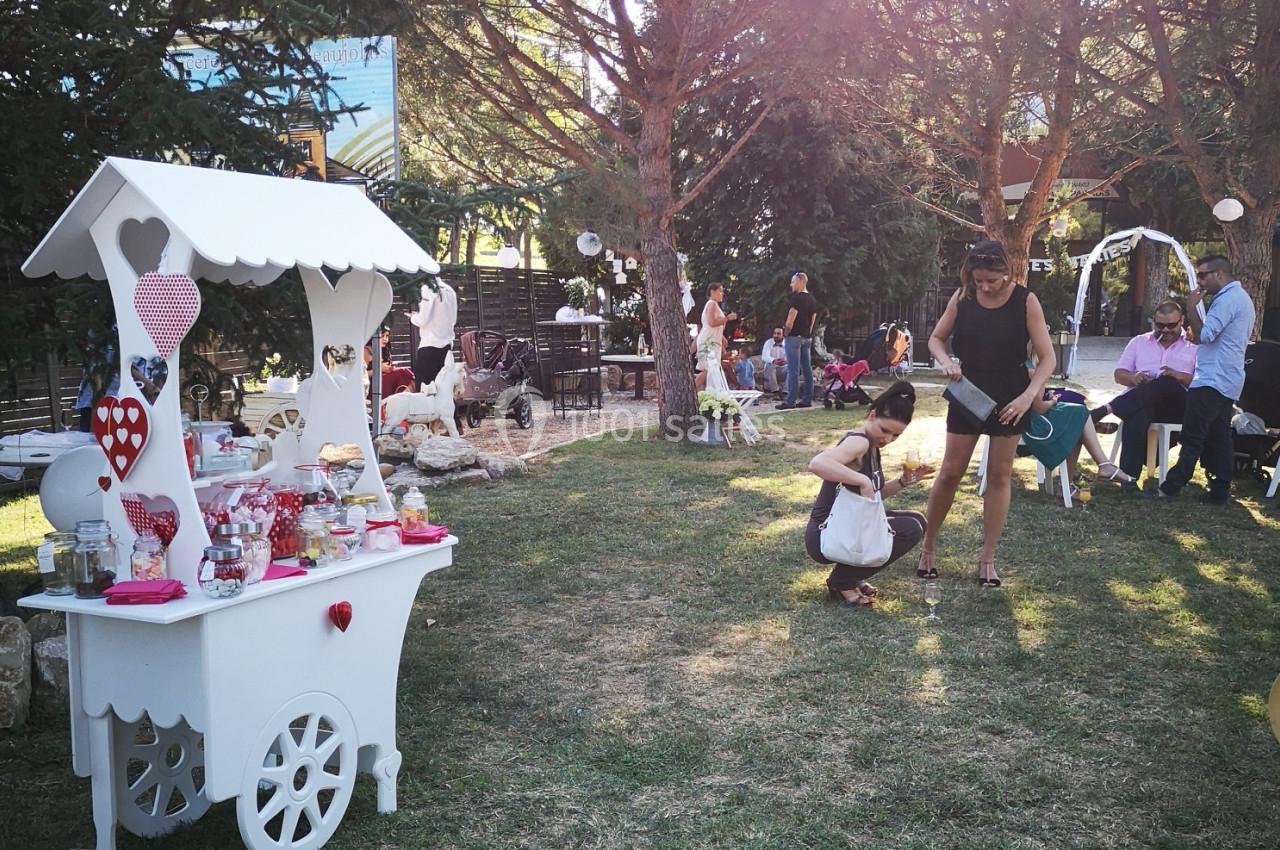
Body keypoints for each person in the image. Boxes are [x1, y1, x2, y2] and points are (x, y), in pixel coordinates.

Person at [921, 240, 1055, 587]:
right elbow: (936, 339)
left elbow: (1048, 358)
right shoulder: (963, 297)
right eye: (978, 279)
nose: (983, 286)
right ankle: (928, 550)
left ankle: (987, 559)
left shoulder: (1026, 301)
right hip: (969, 391)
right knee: (950, 472)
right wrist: (946, 361)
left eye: (991, 281)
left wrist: (1028, 397)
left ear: (1006, 272)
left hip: (1012, 395)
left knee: (999, 475)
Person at [805, 381, 932, 606]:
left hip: (848, 525)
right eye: (885, 430)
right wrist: (861, 479)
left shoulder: (873, 445)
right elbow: (817, 464)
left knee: (918, 520)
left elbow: (872, 495)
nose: (888, 439)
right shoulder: (859, 441)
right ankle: (843, 580)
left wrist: (903, 481)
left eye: (895, 435)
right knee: (910, 530)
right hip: (827, 532)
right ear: (872, 415)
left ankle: (851, 574)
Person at [1155, 255, 1255, 503]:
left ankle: (1172, 486)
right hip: (1228, 378)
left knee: (1193, 435)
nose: (1199, 280)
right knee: (1219, 435)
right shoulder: (1239, 298)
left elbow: (1205, 336)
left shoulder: (1227, 300)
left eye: (1203, 275)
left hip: (1212, 377)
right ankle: (1220, 490)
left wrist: (1191, 306)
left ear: (1219, 274)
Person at [1089, 301, 1197, 484]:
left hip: (1178, 407)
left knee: (1166, 381)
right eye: (1160, 325)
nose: (1165, 330)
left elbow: (1201, 383)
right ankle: (1129, 478)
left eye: (1171, 325)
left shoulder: (1194, 346)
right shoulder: (1139, 342)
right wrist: (1134, 378)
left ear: (1181, 321)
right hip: (1143, 403)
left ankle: (1106, 410)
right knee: (1138, 412)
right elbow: (1119, 374)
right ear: (1153, 321)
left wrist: (1178, 376)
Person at [1026, 390, 1133, 489]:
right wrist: (1052, 401)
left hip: (1027, 413)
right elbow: (1039, 407)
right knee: (1078, 415)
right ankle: (1102, 463)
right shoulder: (1032, 372)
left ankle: (1092, 426)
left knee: (1074, 402)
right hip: (1029, 424)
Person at [407, 279, 458, 390]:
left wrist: (413, 317)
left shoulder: (427, 289)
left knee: (425, 394)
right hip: (446, 348)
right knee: (444, 392)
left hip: (429, 347)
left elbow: (422, 319)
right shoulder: (450, 290)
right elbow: (453, 320)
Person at [778, 272, 817, 410]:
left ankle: (790, 401)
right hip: (806, 338)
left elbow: (790, 320)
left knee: (793, 370)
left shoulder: (796, 299)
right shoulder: (812, 299)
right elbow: (812, 320)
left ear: (801, 281)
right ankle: (807, 399)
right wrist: (808, 333)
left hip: (794, 337)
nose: (791, 284)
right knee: (807, 369)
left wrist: (786, 334)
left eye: (793, 282)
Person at [694, 282, 736, 391]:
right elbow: (712, 322)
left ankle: (707, 393)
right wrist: (727, 318)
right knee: (709, 369)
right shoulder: (711, 304)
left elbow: (714, 326)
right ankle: (690, 391)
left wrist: (721, 337)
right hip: (708, 341)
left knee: (712, 370)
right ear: (712, 292)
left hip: (713, 340)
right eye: (720, 291)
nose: (722, 294)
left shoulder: (715, 305)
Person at [759, 327, 788, 394]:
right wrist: (773, 361)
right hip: (770, 371)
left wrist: (786, 361)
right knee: (769, 364)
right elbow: (764, 356)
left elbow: (792, 357)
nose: (776, 335)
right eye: (774, 333)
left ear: (783, 335)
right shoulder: (768, 342)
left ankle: (786, 392)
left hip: (783, 370)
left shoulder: (788, 343)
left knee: (793, 367)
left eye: (778, 334)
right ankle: (775, 391)